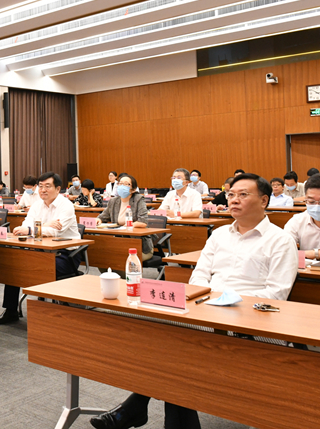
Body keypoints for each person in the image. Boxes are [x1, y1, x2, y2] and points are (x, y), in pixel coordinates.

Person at [91, 173, 298, 429]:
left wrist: (227, 301)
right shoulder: (219, 234)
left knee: (177, 355)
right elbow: (198, 277)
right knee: (166, 341)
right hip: (208, 311)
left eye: (243, 195)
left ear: (264, 200)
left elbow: (276, 295)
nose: (234, 200)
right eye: (231, 194)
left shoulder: (280, 240)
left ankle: (133, 409)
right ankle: (137, 410)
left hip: (253, 322)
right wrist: (208, 300)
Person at [0, 172, 81, 325]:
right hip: (41, 250)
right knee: (14, 266)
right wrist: (44, 226)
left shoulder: (66, 205)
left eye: (47, 186)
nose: (43, 190)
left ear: (58, 189)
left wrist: (33, 229)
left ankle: (51, 315)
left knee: (40, 268)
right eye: (41, 186)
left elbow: (56, 231)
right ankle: (11, 310)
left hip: (66, 254)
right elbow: (25, 225)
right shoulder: (37, 205)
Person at [97, 174, 152, 259]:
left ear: (133, 189)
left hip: (139, 245)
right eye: (120, 183)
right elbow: (103, 216)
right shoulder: (113, 201)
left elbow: (143, 221)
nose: (122, 186)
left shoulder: (138, 199)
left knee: (122, 258)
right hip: (119, 242)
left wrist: (130, 225)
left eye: (126, 184)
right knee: (105, 257)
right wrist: (98, 220)